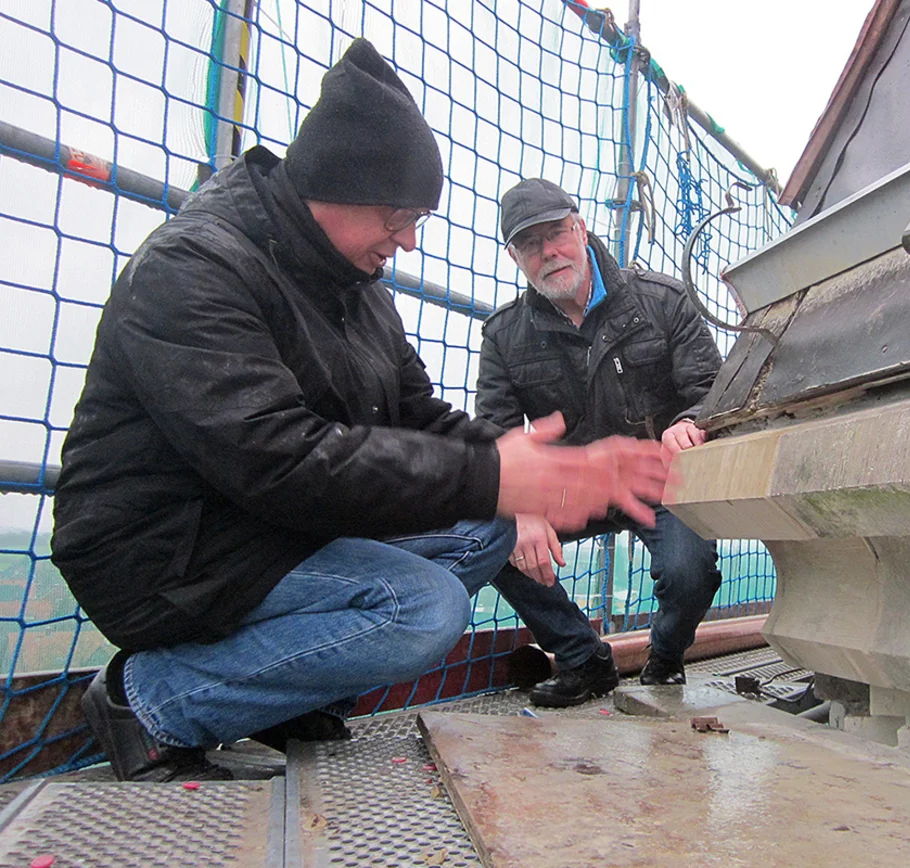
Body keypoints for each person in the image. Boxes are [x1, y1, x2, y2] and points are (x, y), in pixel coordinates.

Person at [50, 40, 667, 783]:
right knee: (423, 608)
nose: (407, 240)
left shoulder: (356, 285)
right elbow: (275, 457)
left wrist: (534, 475)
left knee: (490, 527)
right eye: (398, 217)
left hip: (269, 528)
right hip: (164, 550)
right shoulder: (194, 268)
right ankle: (148, 703)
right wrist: (489, 473)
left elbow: (416, 412)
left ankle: (273, 702)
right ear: (332, 189)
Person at [475, 178, 725, 707]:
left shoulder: (665, 301)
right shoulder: (502, 335)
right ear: (515, 257)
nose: (549, 252)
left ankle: (665, 658)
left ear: (581, 227)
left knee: (690, 572)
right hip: (569, 488)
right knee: (484, 535)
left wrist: (691, 420)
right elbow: (494, 433)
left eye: (557, 233)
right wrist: (520, 508)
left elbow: (713, 390)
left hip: (657, 478)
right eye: (530, 244)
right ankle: (583, 658)